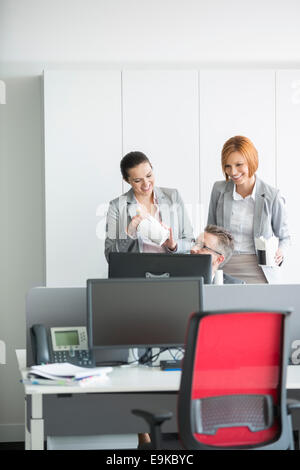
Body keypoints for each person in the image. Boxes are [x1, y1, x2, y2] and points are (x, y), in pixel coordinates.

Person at [207, 136, 290, 284]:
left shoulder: (271, 195)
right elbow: (210, 233)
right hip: (224, 268)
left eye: (239, 164)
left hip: (259, 270)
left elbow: (284, 237)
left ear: (252, 161)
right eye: (228, 166)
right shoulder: (219, 190)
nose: (233, 172)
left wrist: (280, 252)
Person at [105, 151, 194, 262]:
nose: (146, 184)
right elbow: (110, 256)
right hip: (137, 273)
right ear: (127, 180)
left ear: (152, 168)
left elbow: (191, 242)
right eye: (137, 180)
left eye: (149, 175)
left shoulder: (173, 196)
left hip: (172, 271)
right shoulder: (117, 206)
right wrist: (129, 232)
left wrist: (174, 246)